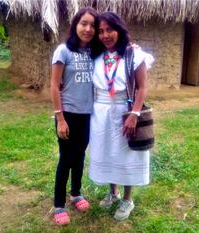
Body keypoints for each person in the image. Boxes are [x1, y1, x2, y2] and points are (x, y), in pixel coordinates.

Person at [88, 11, 154, 221]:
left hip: (124, 110)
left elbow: (142, 88)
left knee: (126, 153)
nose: (105, 35)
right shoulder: (96, 55)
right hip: (101, 112)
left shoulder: (134, 55)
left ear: (119, 30)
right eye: (101, 31)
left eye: (110, 30)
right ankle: (113, 192)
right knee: (108, 151)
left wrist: (134, 114)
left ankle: (127, 199)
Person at [50, 7, 99, 225]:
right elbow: (53, 85)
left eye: (92, 25)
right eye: (84, 23)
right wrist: (60, 118)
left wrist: (131, 48)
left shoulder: (94, 52)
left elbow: (116, 49)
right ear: (75, 25)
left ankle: (76, 194)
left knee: (79, 157)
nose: (88, 29)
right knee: (66, 159)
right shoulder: (63, 51)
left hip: (87, 115)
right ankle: (59, 204)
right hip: (67, 114)